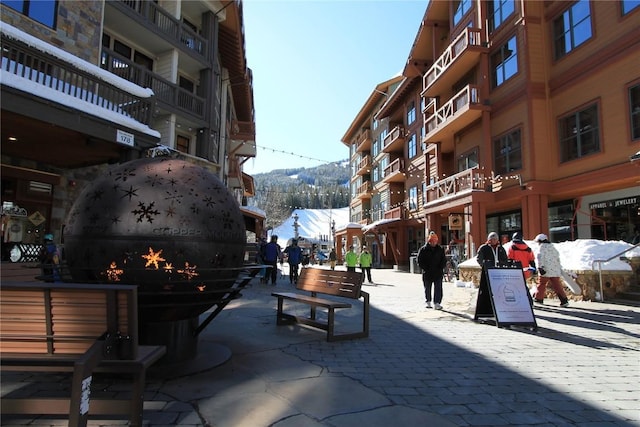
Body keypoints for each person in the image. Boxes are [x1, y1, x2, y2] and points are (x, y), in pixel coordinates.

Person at [531, 233, 569, 307]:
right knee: (557, 285)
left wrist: (540, 267)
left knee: (542, 284)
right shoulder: (553, 247)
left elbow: (540, 258)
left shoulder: (541, 247)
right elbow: (557, 258)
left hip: (546, 269)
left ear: (540, 241)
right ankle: (564, 300)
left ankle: (539, 298)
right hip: (555, 270)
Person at [417, 232, 447, 310]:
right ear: (429, 241)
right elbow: (419, 260)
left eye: (435, 241)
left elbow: (444, 260)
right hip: (427, 272)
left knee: (438, 288)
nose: (433, 243)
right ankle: (428, 301)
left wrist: (441, 267)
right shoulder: (423, 249)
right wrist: (425, 268)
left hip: (438, 272)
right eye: (432, 241)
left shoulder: (440, 249)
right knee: (427, 288)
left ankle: (437, 303)